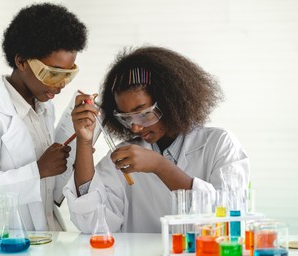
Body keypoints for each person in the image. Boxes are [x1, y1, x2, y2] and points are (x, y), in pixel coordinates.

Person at [64, 46, 250, 233]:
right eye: (127, 118)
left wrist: (160, 166)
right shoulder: (124, 155)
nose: (135, 127)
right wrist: (84, 142)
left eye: (144, 113)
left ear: (171, 101)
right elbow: (92, 223)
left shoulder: (219, 144)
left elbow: (229, 223)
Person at [0, 3, 88, 231]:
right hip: (9, 247)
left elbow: (47, 189)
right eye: (53, 74)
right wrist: (38, 170)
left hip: (49, 235)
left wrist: (79, 150)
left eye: (68, 74)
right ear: (22, 61)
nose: (62, 85)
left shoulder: (45, 109)